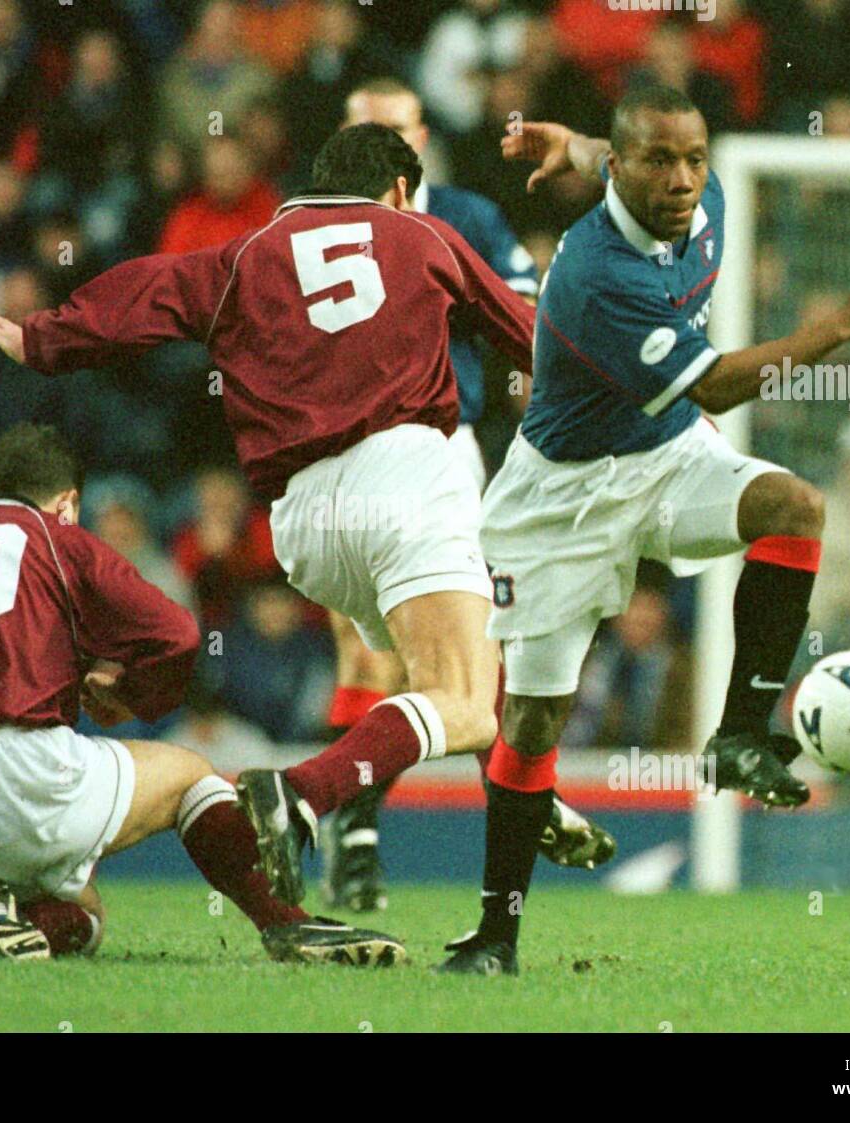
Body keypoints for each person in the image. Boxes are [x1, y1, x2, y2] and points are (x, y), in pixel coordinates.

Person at [0, 124, 535, 943]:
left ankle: (462, 801)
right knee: (467, 702)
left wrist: (45, 338)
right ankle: (306, 792)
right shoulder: (422, 232)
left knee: (420, 676)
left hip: (301, 524)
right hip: (407, 473)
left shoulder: (241, 256)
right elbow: (531, 336)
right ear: (401, 191)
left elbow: (148, 291)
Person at [444, 84, 850, 974]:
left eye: (694, 159)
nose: (682, 179)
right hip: (563, 499)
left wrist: (578, 138)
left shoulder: (693, 197)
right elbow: (716, 387)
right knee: (536, 719)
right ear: (622, 172)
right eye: (658, 161)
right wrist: (843, 325)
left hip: (666, 458)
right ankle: (493, 938)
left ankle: (740, 730)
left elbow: (609, 152)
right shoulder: (596, 276)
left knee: (795, 506)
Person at [0, 422, 403, 967]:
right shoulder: (58, 537)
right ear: (68, 502)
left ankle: (10, 910)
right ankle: (285, 921)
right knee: (190, 775)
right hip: (20, 773)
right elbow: (178, 634)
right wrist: (130, 695)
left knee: (85, 919)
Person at [321, 78, 613, 914]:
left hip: (442, 447)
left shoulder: (468, 218)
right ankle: (486, 799)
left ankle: (352, 822)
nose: (380, 142)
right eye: (364, 128)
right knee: (386, 645)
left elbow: (523, 305)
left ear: (422, 141)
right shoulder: (303, 226)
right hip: (340, 444)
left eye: (396, 129)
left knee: (441, 636)